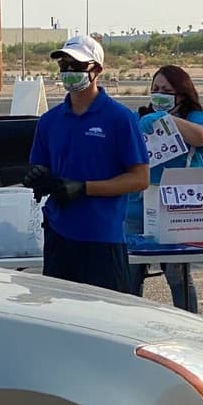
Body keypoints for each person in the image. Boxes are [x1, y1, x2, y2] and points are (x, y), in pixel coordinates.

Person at [25, 35, 150, 292]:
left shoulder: (119, 118)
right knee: (61, 311)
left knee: (106, 312)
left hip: (102, 238)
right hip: (59, 235)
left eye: (77, 66)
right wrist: (39, 178)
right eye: (64, 65)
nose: (69, 71)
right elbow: (43, 166)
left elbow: (140, 178)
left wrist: (84, 188)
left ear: (97, 70)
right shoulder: (49, 121)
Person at [126, 65, 203, 312]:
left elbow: (200, 137)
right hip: (138, 205)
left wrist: (167, 120)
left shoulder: (195, 117)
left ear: (181, 94)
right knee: (130, 275)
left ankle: (189, 323)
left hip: (176, 207)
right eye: (155, 89)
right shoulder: (140, 117)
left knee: (178, 275)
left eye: (166, 90)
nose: (159, 94)